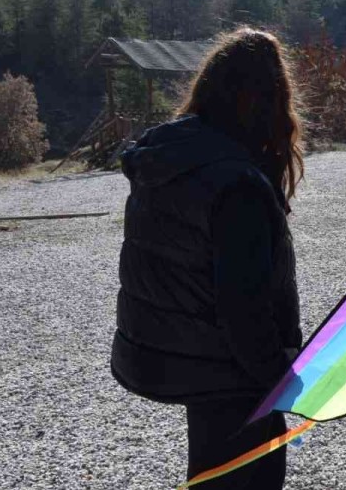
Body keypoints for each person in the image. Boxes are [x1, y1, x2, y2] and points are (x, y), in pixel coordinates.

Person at [110, 28, 305, 490]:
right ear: (266, 102)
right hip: (230, 375)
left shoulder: (175, 156)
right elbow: (244, 310)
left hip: (184, 359)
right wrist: (282, 374)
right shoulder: (236, 185)